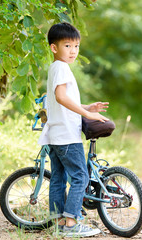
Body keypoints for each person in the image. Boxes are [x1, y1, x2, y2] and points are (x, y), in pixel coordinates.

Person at [38, 22, 108, 237]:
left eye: (76, 46)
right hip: (67, 136)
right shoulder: (61, 67)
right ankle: (71, 224)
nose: (73, 51)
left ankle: (59, 222)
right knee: (80, 177)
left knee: (59, 178)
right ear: (54, 48)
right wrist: (87, 114)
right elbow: (61, 97)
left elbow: (61, 102)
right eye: (67, 46)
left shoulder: (55, 68)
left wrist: (87, 107)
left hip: (56, 134)